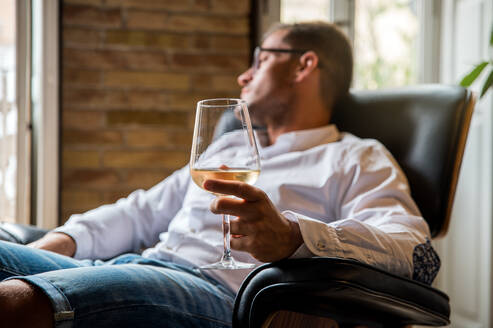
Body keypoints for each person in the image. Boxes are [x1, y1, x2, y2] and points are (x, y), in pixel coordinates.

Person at [0, 22, 439, 328]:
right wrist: (45, 252)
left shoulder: (354, 157)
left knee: (17, 302)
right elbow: (139, 213)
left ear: (304, 65)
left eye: (261, 59)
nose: (242, 75)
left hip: (215, 296)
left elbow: (415, 251)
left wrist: (293, 237)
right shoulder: (230, 147)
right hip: (134, 267)